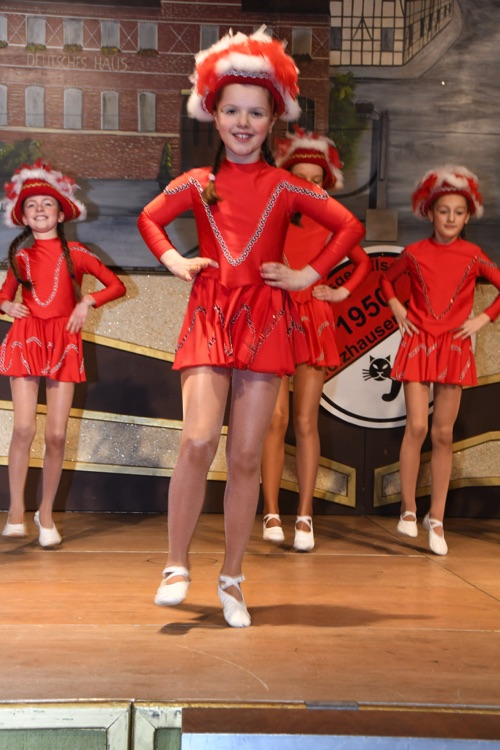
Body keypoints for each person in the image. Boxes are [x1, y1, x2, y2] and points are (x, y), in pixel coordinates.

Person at [137, 27, 365, 627]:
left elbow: (348, 229)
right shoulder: (198, 183)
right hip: (210, 315)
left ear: (272, 120)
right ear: (214, 115)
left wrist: (307, 274)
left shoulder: (288, 185)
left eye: (256, 112)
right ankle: (176, 564)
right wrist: (176, 261)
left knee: (244, 456)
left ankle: (233, 577)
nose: (243, 122)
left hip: (266, 320)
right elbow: (149, 219)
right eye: (233, 110)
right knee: (197, 440)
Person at [0, 160, 126, 546]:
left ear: (60, 214)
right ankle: (16, 510)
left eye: (47, 204)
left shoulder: (78, 252)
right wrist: (6, 306)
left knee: (56, 435)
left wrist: (87, 301)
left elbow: (116, 285)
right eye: (31, 205)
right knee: (24, 428)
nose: (39, 209)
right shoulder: (21, 258)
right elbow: (4, 295)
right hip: (26, 339)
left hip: (64, 342)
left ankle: (46, 513)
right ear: (23, 217)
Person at [260, 127, 372, 551]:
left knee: (306, 421)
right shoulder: (271, 215)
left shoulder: (331, 221)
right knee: (275, 419)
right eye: (300, 178)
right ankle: (271, 511)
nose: (308, 185)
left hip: (313, 319)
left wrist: (340, 292)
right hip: (274, 317)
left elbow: (362, 263)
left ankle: (305, 516)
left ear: (325, 184)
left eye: (315, 179)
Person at [379, 164, 500, 555]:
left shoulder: (473, 255)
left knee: (443, 434)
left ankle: (437, 519)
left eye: (458, 212)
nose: (450, 218)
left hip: (453, 347)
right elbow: (386, 279)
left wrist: (482, 318)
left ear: (467, 217)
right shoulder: (414, 253)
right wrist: (397, 306)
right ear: (429, 213)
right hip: (418, 345)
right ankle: (408, 509)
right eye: (443, 211)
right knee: (416, 426)